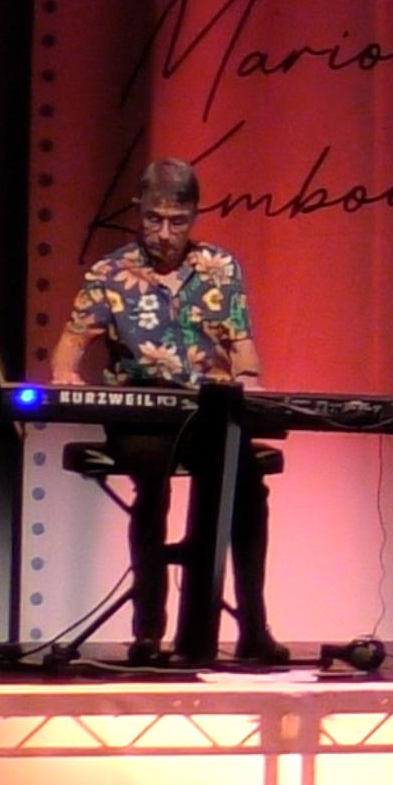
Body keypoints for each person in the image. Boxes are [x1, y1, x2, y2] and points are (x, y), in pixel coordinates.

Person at [55, 158, 277, 665]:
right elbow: (70, 344)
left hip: (207, 411)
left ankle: (252, 627)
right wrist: (65, 373)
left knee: (245, 484)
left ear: (194, 216)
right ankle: (148, 631)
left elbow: (242, 344)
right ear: (139, 212)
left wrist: (248, 378)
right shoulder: (109, 273)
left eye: (177, 221)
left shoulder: (221, 269)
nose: (164, 233)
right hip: (142, 415)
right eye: (154, 219)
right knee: (152, 484)